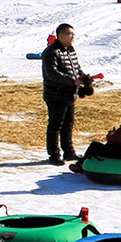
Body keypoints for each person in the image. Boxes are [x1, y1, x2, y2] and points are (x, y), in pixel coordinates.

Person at [41, 23, 90, 165]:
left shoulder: (70, 50)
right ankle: (54, 155)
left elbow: (77, 69)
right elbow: (52, 74)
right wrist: (73, 81)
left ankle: (69, 152)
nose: (73, 37)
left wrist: (84, 78)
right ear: (60, 35)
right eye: (70, 34)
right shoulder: (51, 52)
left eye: (73, 34)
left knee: (68, 124)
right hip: (55, 95)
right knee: (56, 125)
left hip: (70, 94)